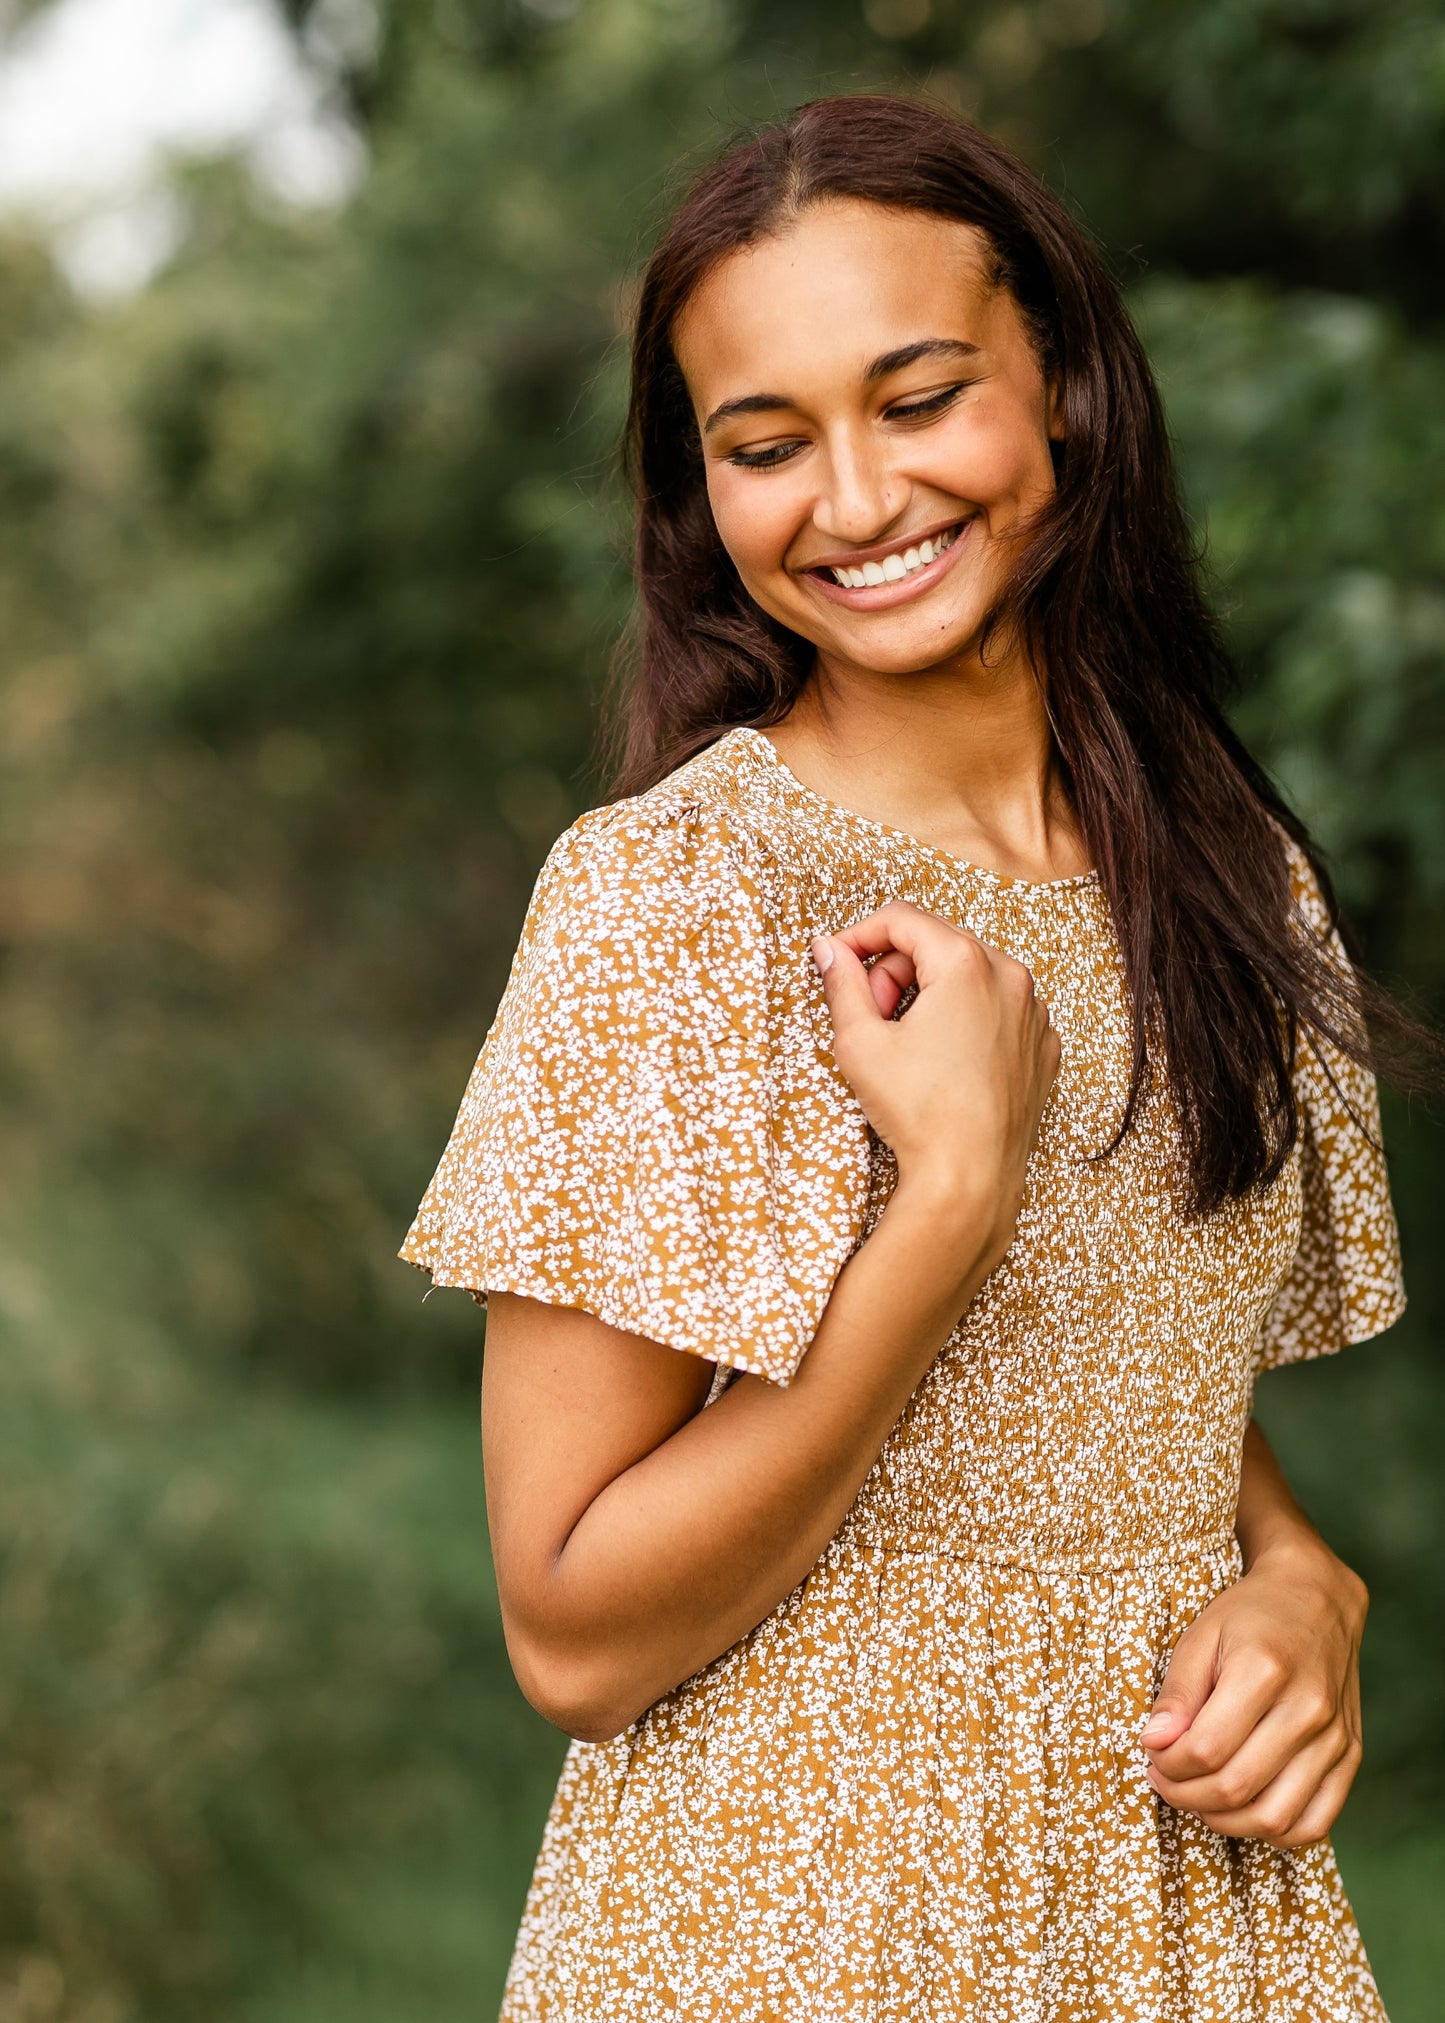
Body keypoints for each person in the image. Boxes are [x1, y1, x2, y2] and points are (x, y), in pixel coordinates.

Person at [400, 95, 1413, 2022]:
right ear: (702, 496)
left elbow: (1128, 1384)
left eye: (920, 397)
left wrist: (1301, 1580)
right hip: (795, 1920)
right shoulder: (675, 901)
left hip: (1181, 1908)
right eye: (763, 445)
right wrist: (946, 1200)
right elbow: (574, 1632)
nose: (853, 502)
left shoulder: (1220, 868)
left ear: (1067, 396)